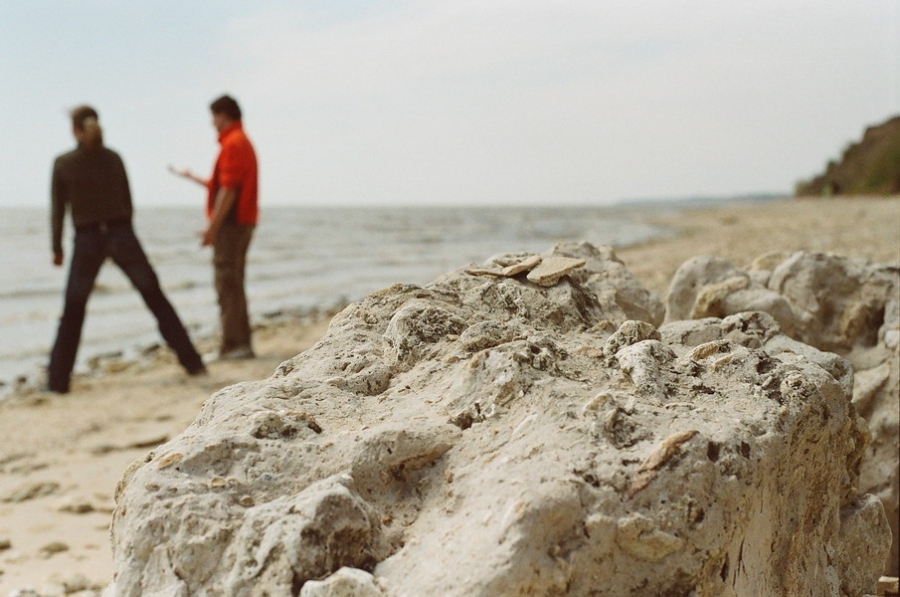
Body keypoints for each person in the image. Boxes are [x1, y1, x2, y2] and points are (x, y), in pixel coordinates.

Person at [47, 105, 206, 394]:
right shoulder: (114, 158)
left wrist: (57, 248)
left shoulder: (63, 162)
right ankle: (193, 363)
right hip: (122, 233)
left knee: (73, 310)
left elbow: (58, 211)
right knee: (155, 298)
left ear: (74, 129)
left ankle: (57, 383)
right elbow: (128, 200)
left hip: (88, 238)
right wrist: (123, 233)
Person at [170, 94, 258, 360]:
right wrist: (192, 178)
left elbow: (228, 191)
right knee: (234, 283)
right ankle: (240, 343)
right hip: (241, 222)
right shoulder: (239, 142)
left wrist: (212, 228)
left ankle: (234, 345)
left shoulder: (233, 143)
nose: (212, 122)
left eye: (214, 116)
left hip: (233, 225)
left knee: (226, 284)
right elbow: (221, 186)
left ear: (224, 115)